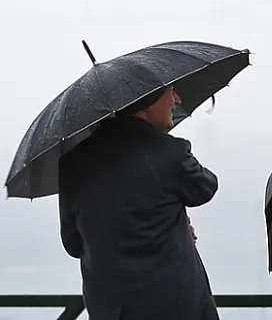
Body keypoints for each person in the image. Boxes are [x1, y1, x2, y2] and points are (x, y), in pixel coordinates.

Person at [58, 85, 220, 320]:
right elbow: (206, 186)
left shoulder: (73, 162)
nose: (177, 99)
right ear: (147, 103)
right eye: (171, 92)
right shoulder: (170, 152)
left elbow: (73, 243)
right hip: (178, 310)